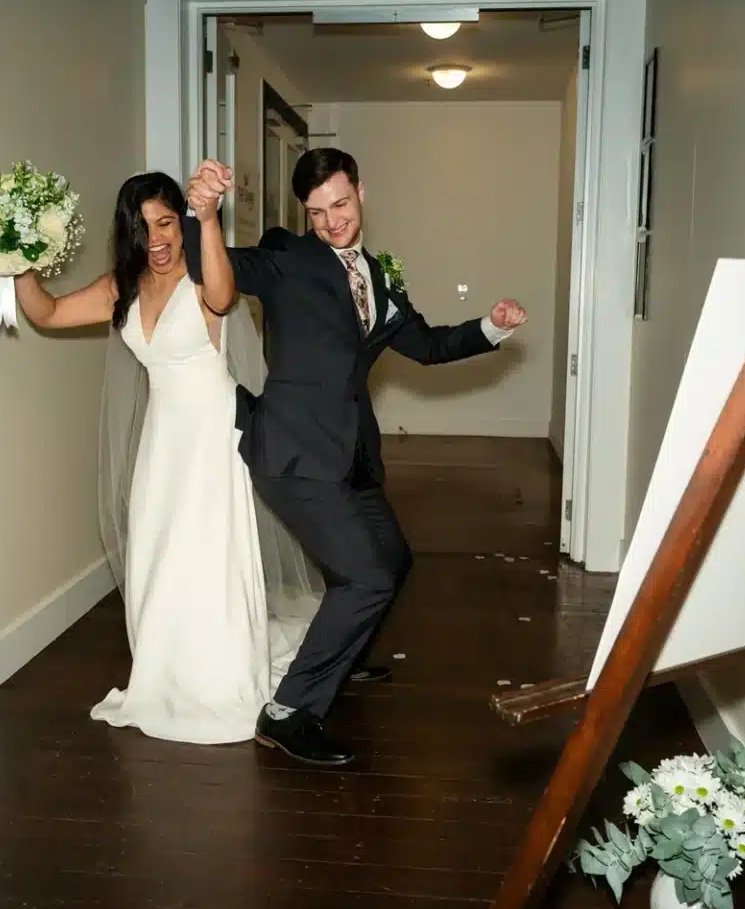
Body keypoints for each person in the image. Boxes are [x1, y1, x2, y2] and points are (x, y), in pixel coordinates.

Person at [184, 148, 528, 766]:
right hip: (292, 451)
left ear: (361, 193)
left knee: (391, 560)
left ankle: (339, 657)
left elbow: (425, 345)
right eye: (317, 212)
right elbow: (215, 271)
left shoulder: (380, 275)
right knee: (365, 577)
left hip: (351, 454)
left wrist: (491, 327)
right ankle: (289, 712)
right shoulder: (289, 257)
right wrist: (201, 215)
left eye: (339, 204)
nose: (331, 220)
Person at [12, 171, 322, 745]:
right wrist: (18, 258)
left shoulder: (205, 276)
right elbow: (48, 314)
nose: (156, 239)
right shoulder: (121, 288)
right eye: (142, 226)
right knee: (157, 547)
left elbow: (226, 298)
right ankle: (161, 670)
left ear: (181, 222)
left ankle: (218, 675)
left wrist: (208, 217)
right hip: (163, 438)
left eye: (165, 223)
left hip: (212, 435)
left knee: (207, 552)